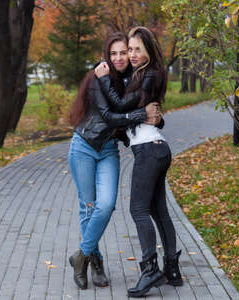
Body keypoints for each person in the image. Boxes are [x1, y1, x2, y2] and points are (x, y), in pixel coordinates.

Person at [68, 32, 162, 290]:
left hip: (108, 149)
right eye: (115, 53)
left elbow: (134, 108)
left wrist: (154, 118)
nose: (120, 57)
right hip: (84, 147)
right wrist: (142, 114)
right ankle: (95, 262)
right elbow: (111, 116)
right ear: (106, 56)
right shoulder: (98, 77)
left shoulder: (131, 80)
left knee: (106, 205)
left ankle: (80, 256)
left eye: (125, 52)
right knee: (88, 207)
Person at [94, 26, 183, 297]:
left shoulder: (148, 74)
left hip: (149, 151)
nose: (131, 54)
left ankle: (150, 270)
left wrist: (105, 79)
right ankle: (172, 269)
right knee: (158, 211)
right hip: (155, 148)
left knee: (138, 211)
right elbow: (137, 111)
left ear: (147, 50)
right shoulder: (144, 74)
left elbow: (121, 105)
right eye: (128, 49)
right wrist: (148, 115)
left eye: (136, 49)